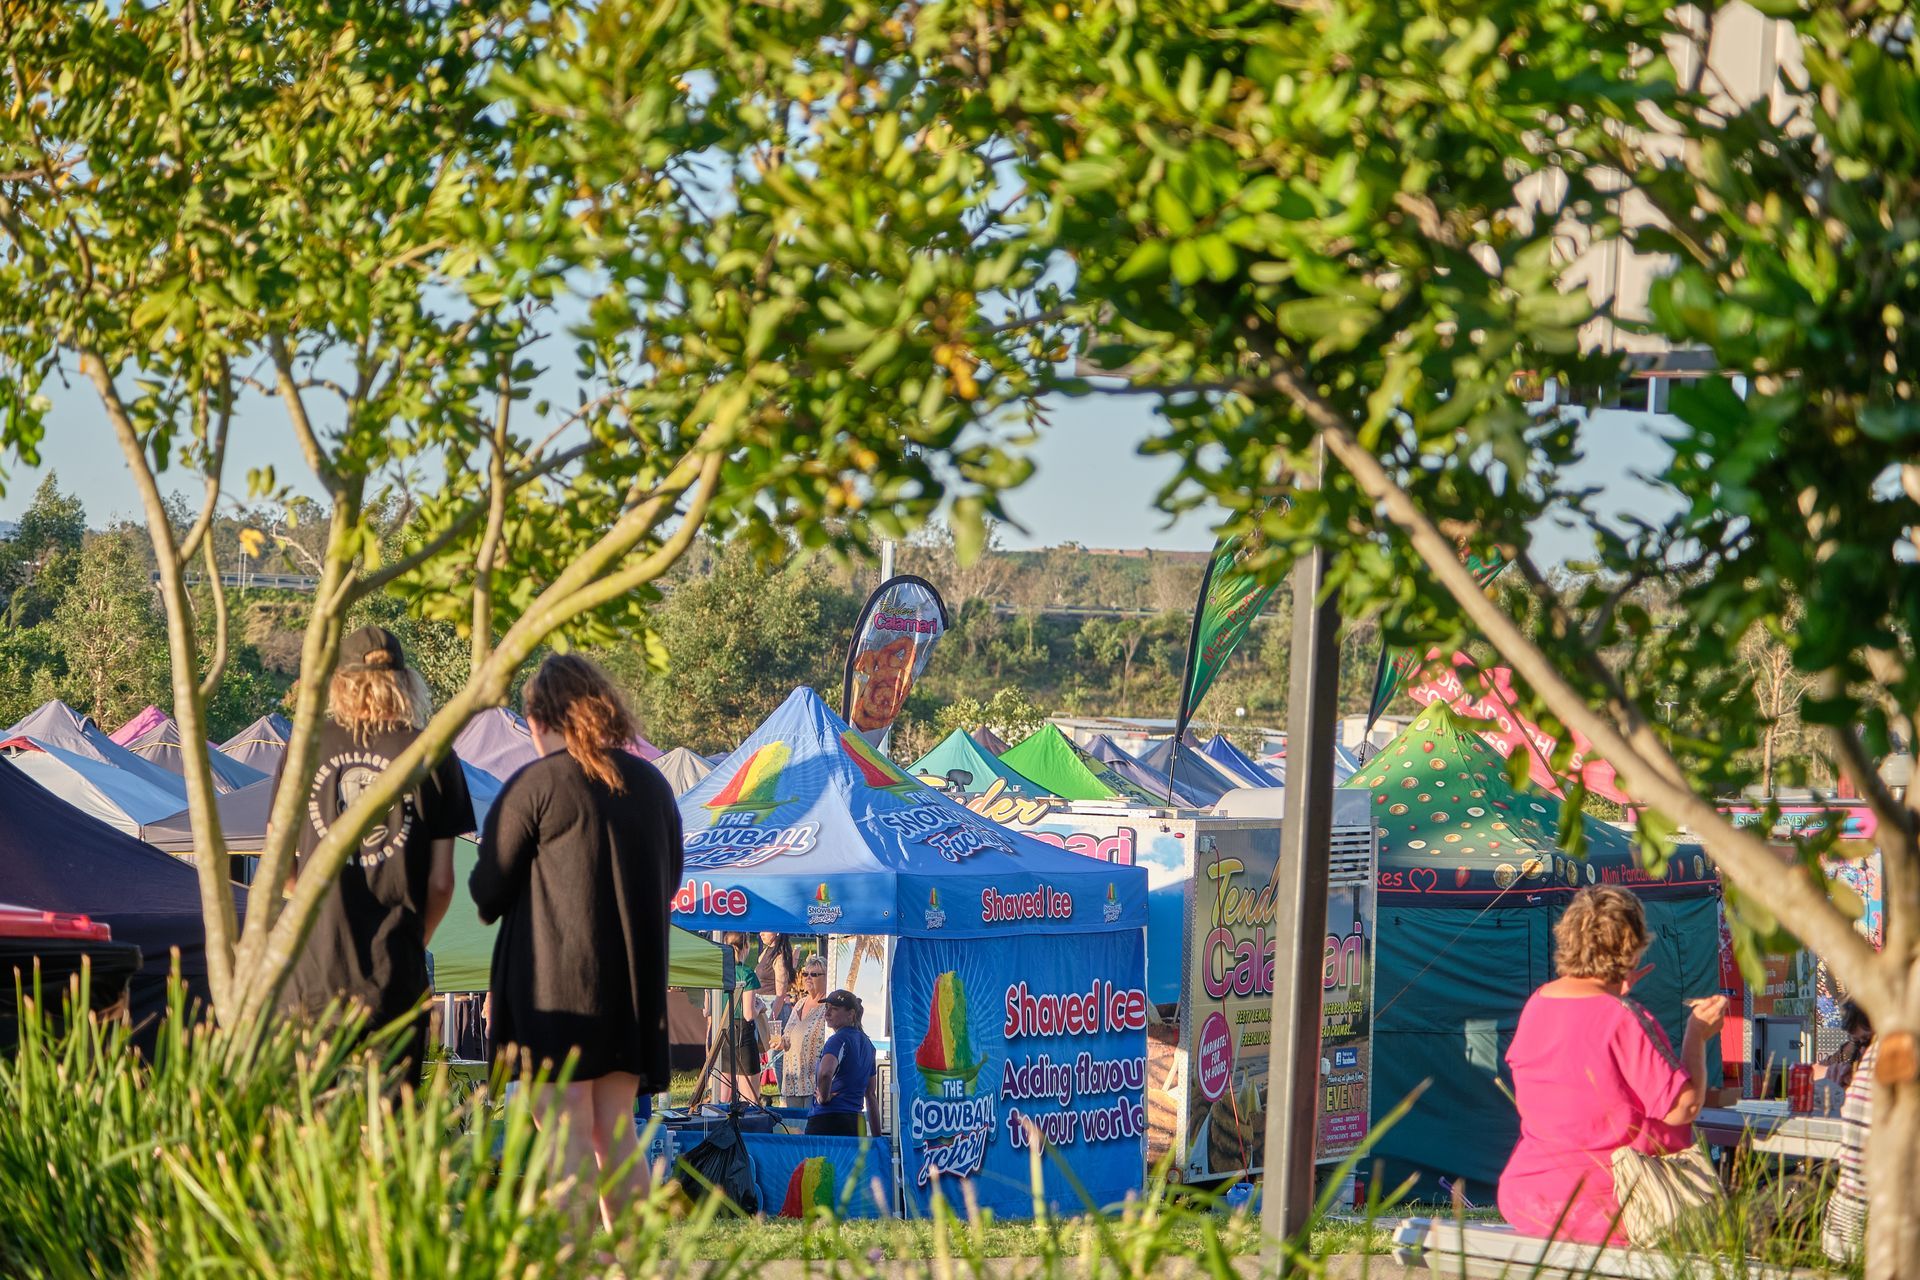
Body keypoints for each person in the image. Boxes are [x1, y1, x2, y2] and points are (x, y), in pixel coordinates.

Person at [469, 654, 683, 1230]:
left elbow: (487, 891)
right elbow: (673, 879)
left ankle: (575, 1263)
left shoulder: (535, 785)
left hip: (552, 987)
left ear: (542, 718)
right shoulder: (654, 786)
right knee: (614, 1133)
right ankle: (630, 1266)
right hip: (632, 987)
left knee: (562, 1130)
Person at [277, 625, 473, 1080]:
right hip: (393, 977)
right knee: (387, 1127)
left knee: (312, 1124)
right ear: (406, 682)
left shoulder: (304, 746)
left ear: (340, 682)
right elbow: (442, 883)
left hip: (313, 974)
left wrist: (317, 917)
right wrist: (406, 942)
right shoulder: (432, 753)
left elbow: (278, 868)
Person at [1497, 886, 1726, 1245]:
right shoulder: (1623, 1018)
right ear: (1631, 949)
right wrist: (1697, 1034)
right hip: (1611, 1204)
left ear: (1568, 938)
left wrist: (1617, 985)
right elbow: (1684, 1107)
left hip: (1528, 1198)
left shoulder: (1537, 1005)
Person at [1822, 1016, 1879, 1263]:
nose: (1859, 1049)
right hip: (1861, 1234)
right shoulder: (1873, 1059)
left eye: (1864, 1041)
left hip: (1852, 1235)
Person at [808, 988, 882, 1137]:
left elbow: (825, 1073)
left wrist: (824, 1097)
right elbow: (871, 1095)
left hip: (827, 1119)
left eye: (834, 1009)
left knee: (820, 1161)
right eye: (826, 1007)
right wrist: (877, 1139)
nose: (827, 1013)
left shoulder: (838, 1040)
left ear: (851, 1014)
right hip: (855, 1123)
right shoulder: (868, 1045)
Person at [712, 931, 765, 1103]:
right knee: (750, 1099)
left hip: (721, 1032)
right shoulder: (747, 974)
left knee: (722, 1098)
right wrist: (760, 1007)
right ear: (746, 947)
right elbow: (749, 1014)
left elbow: (707, 1010)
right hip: (742, 1034)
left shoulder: (717, 972)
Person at [778, 952, 831, 1108]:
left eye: (814, 974)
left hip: (812, 1086)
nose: (808, 978)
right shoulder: (800, 1003)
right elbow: (788, 1036)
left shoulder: (828, 1008)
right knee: (793, 1128)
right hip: (792, 1083)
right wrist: (781, 1042)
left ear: (826, 978)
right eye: (805, 973)